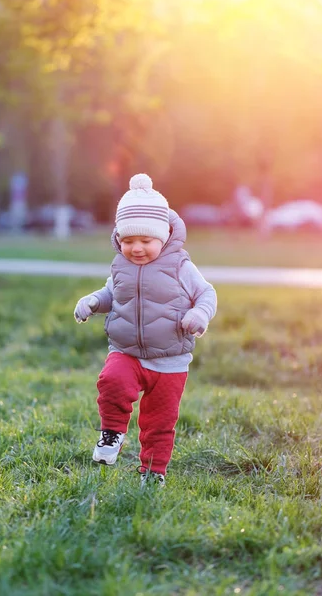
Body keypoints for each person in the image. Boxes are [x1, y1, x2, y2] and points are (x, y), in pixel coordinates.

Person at [74, 173, 217, 486]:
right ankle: (112, 433)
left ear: (163, 236)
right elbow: (113, 294)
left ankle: (153, 473)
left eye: (145, 241)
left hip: (170, 361)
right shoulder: (120, 265)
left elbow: (206, 293)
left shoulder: (180, 265)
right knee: (111, 380)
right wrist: (92, 302)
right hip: (127, 351)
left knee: (159, 423)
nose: (135, 248)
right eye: (127, 241)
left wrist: (199, 314)